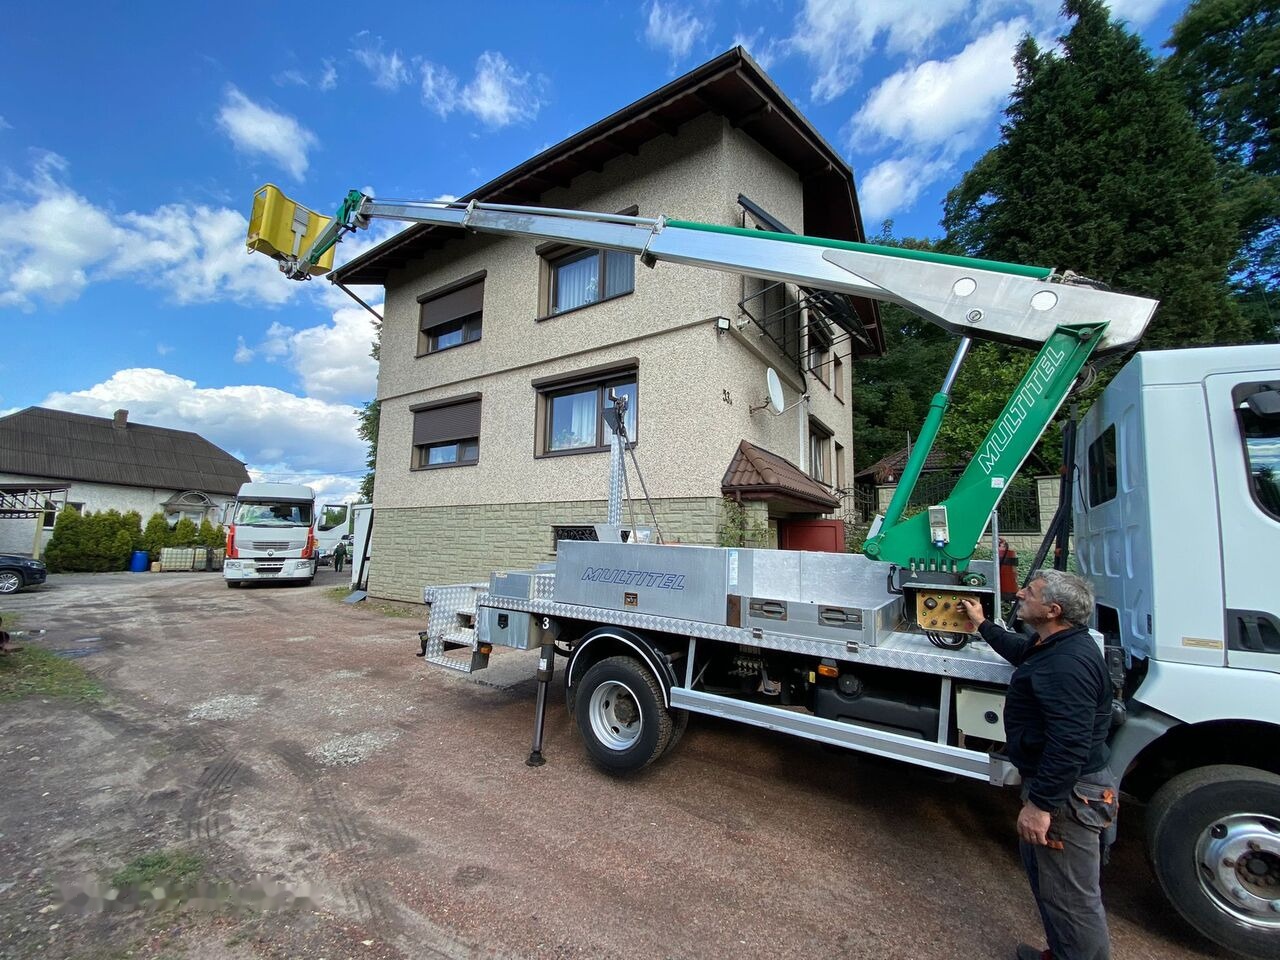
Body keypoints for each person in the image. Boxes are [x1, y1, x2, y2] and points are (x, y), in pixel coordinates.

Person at [958, 571, 1116, 960]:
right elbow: (1019, 649)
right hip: (1068, 790)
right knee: (1052, 885)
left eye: (1031, 593)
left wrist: (1042, 805)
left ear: (1053, 610)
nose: (1020, 593)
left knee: (1070, 897)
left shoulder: (1068, 665)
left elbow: (1070, 744)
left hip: (1068, 796)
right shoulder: (1057, 644)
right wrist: (982, 624)